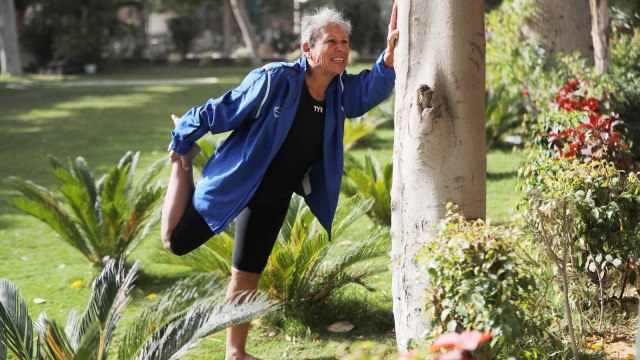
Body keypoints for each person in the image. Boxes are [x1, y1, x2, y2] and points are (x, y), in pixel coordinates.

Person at [161, 3, 399, 359]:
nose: (340, 49)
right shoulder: (274, 80)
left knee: (247, 274)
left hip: (272, 197)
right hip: (237, 180)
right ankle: (185, 165)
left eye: (345, 42)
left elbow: (368, 91)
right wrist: (183, 135)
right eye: (331, 41)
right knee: (175, 242)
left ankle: (235, 352)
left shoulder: (339, 91)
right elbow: (223, 109)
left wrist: (389, 58)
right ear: (308, 48)